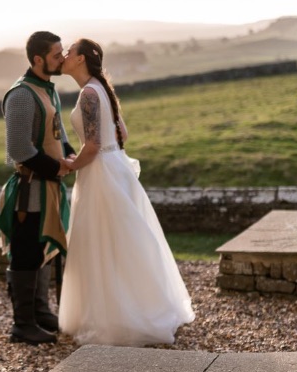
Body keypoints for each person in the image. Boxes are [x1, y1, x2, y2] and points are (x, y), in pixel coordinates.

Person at [57, 38, 195, 346]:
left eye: (69, 52)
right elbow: (123, 135)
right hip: (114, 167)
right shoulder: (100, 88)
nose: (64, 56)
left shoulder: (90, 93)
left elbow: (91, 146)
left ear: (81, 60)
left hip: (101, 174)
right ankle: (138, 307)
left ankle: (120, 318)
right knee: (123, 241)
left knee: (104, 242)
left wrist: (69, 165)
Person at [0, 31, 77, 344]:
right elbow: (19, 148)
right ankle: (23, 324)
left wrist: (68, 154)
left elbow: (56, 133)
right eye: (57, 55)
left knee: (43, 251)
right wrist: (56, 167)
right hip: (30, 189)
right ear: (38, 59)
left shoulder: (48, 90)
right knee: (26, 252)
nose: (62, 58)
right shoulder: (21, 95)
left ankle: (41, 312)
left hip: (50, 188)